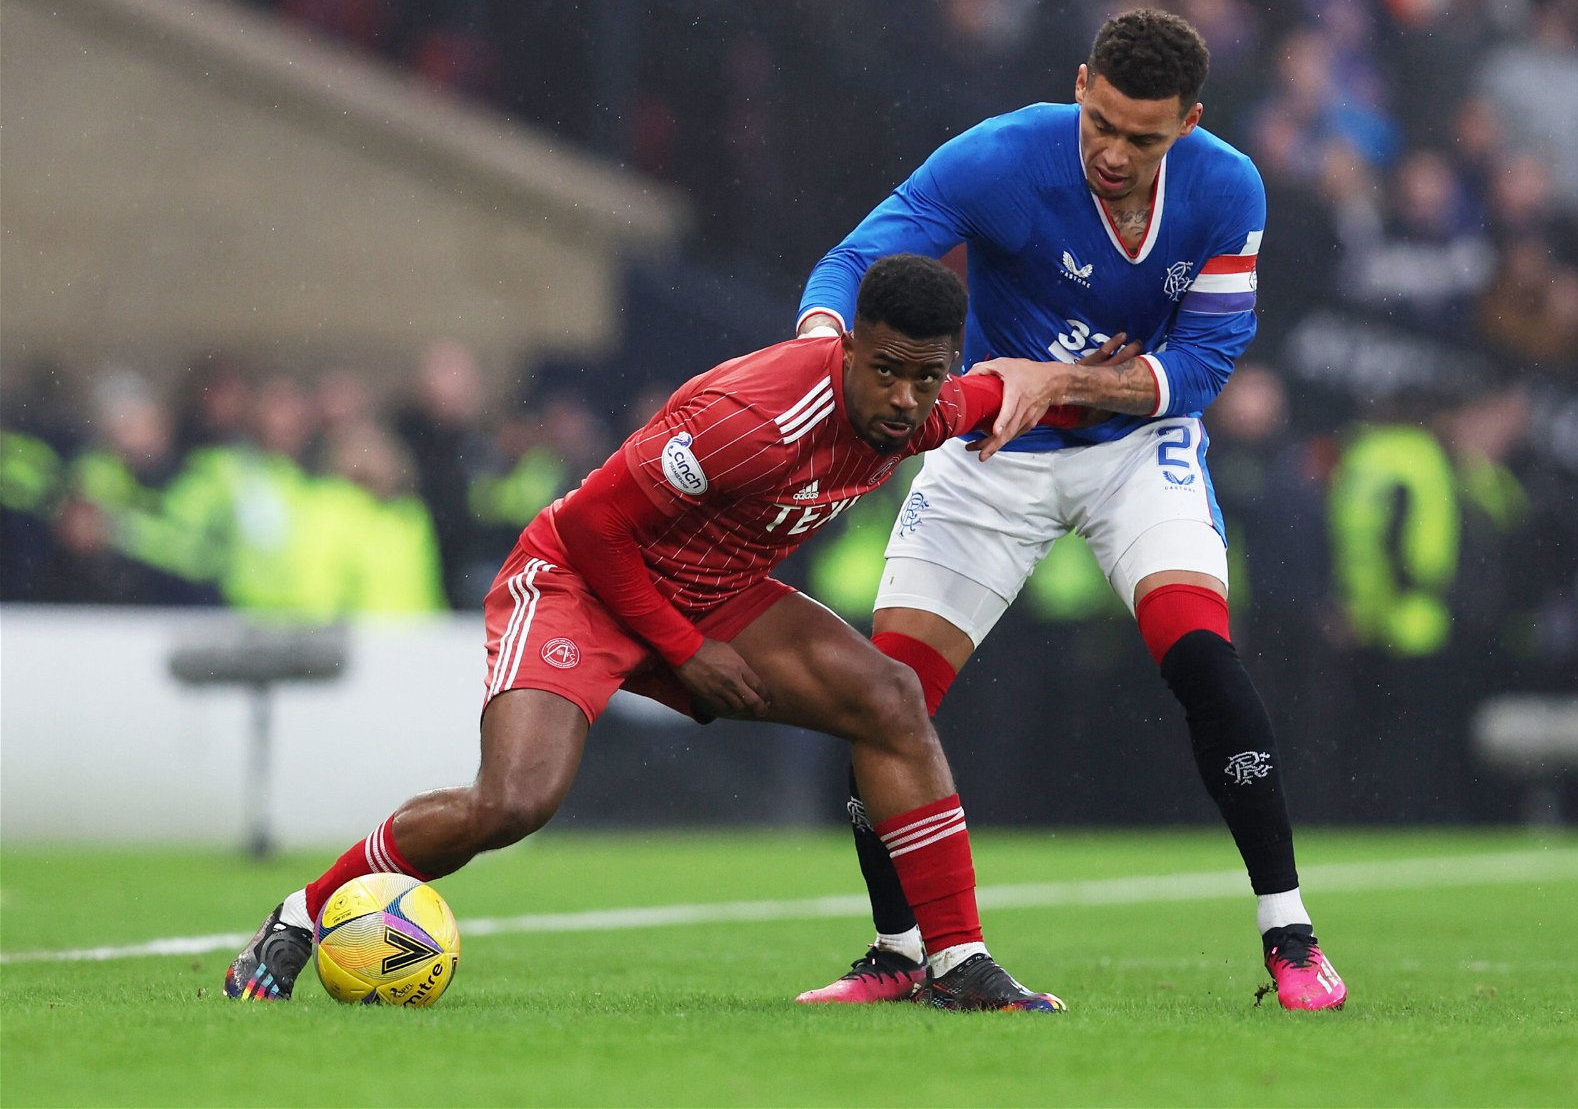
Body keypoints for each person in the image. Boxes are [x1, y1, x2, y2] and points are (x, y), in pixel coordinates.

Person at [224, 254, 1094, 1012]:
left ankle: (955, 962)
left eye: (928, 378)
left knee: (890, 698)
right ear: (850, 348)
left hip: (717, 592)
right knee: (515, 802)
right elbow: (593, 529)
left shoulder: (928, 405)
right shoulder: (748, 421)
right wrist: (684, 649)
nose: (907, 401)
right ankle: (301, 915)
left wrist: (1104, 377)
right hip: (579, 584)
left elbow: (1018, 387)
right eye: (889, 373)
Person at [791, 10, 1346, 1012]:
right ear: (1081, 84)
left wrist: (1054, 381)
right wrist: (819, 346)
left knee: (1200, 656)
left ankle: (1291, 935)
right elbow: (851, 262)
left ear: (1189, 124)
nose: (1114, 152)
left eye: (1144, 137)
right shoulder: (1000, 158)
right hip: (992, 457)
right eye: (1102, 122)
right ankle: (895, 949)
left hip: (1138, 453)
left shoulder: (1228, 186)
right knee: (881, 696)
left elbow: (1204, 363)